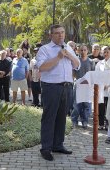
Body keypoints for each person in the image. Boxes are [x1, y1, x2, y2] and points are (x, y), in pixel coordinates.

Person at [36, 24, 79, 161]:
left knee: (62, 117)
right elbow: (42, 67)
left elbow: (77, 64)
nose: (60, 35)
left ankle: (58, 145)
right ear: (51, 35)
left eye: (62, 32)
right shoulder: (45, 49)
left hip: (67, 87)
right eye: (57, 33)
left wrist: (70, 57)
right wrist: (58, 57)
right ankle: (46, 148)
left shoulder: (68, 48)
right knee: (49, 117)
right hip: (51, 87)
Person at [71, 45, 95, 129]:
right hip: (78, 85)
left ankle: (84, 120)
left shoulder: (91, 61)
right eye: (81, 50)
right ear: (78, 51)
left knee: (87, 105)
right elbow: (73, 73)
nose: (83, 52)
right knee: (77, 105)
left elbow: (93, 74)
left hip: (88, 86)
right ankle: (74, 120)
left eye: (84, 50)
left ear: (87, 51)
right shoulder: (76, 61)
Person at [95, 46, 110, 130]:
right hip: (101, 88)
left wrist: (108, 84)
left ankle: (108, 124)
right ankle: (101, 124)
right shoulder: (99, 63)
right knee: (101, 107)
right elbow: (96, 75)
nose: (105, 54)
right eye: (104, 52)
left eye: (107, 52)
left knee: (109, 107)